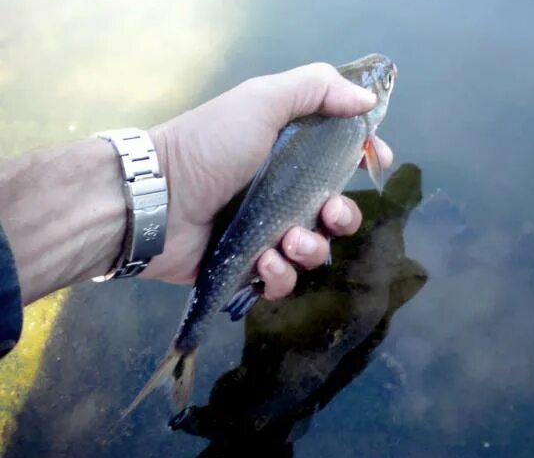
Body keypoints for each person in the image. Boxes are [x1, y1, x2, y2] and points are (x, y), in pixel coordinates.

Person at [0, 62, 393, 359]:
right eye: (386, 82)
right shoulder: (357, 126)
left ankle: (189, 341)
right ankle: (187, 346)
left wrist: (166, 175)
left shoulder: (335, 120)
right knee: (296, 250)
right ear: (367, 101)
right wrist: (169, 170)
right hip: (231, 226)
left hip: (217, 230)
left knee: (290, 251)